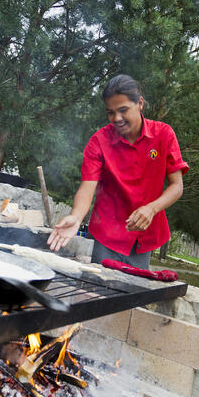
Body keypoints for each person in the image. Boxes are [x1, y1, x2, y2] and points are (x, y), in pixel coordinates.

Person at [47, 74, 188, 269]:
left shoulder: (163, 135)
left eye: (123, 110)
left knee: (131, 294)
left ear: (139, 103)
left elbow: (177, 186)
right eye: (110, 113)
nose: (117, 119)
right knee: (99, 291)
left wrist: (152, 208)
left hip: (142, 236)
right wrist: (76, 217)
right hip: (107, 234)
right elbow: (87, 188)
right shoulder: (98, 141)